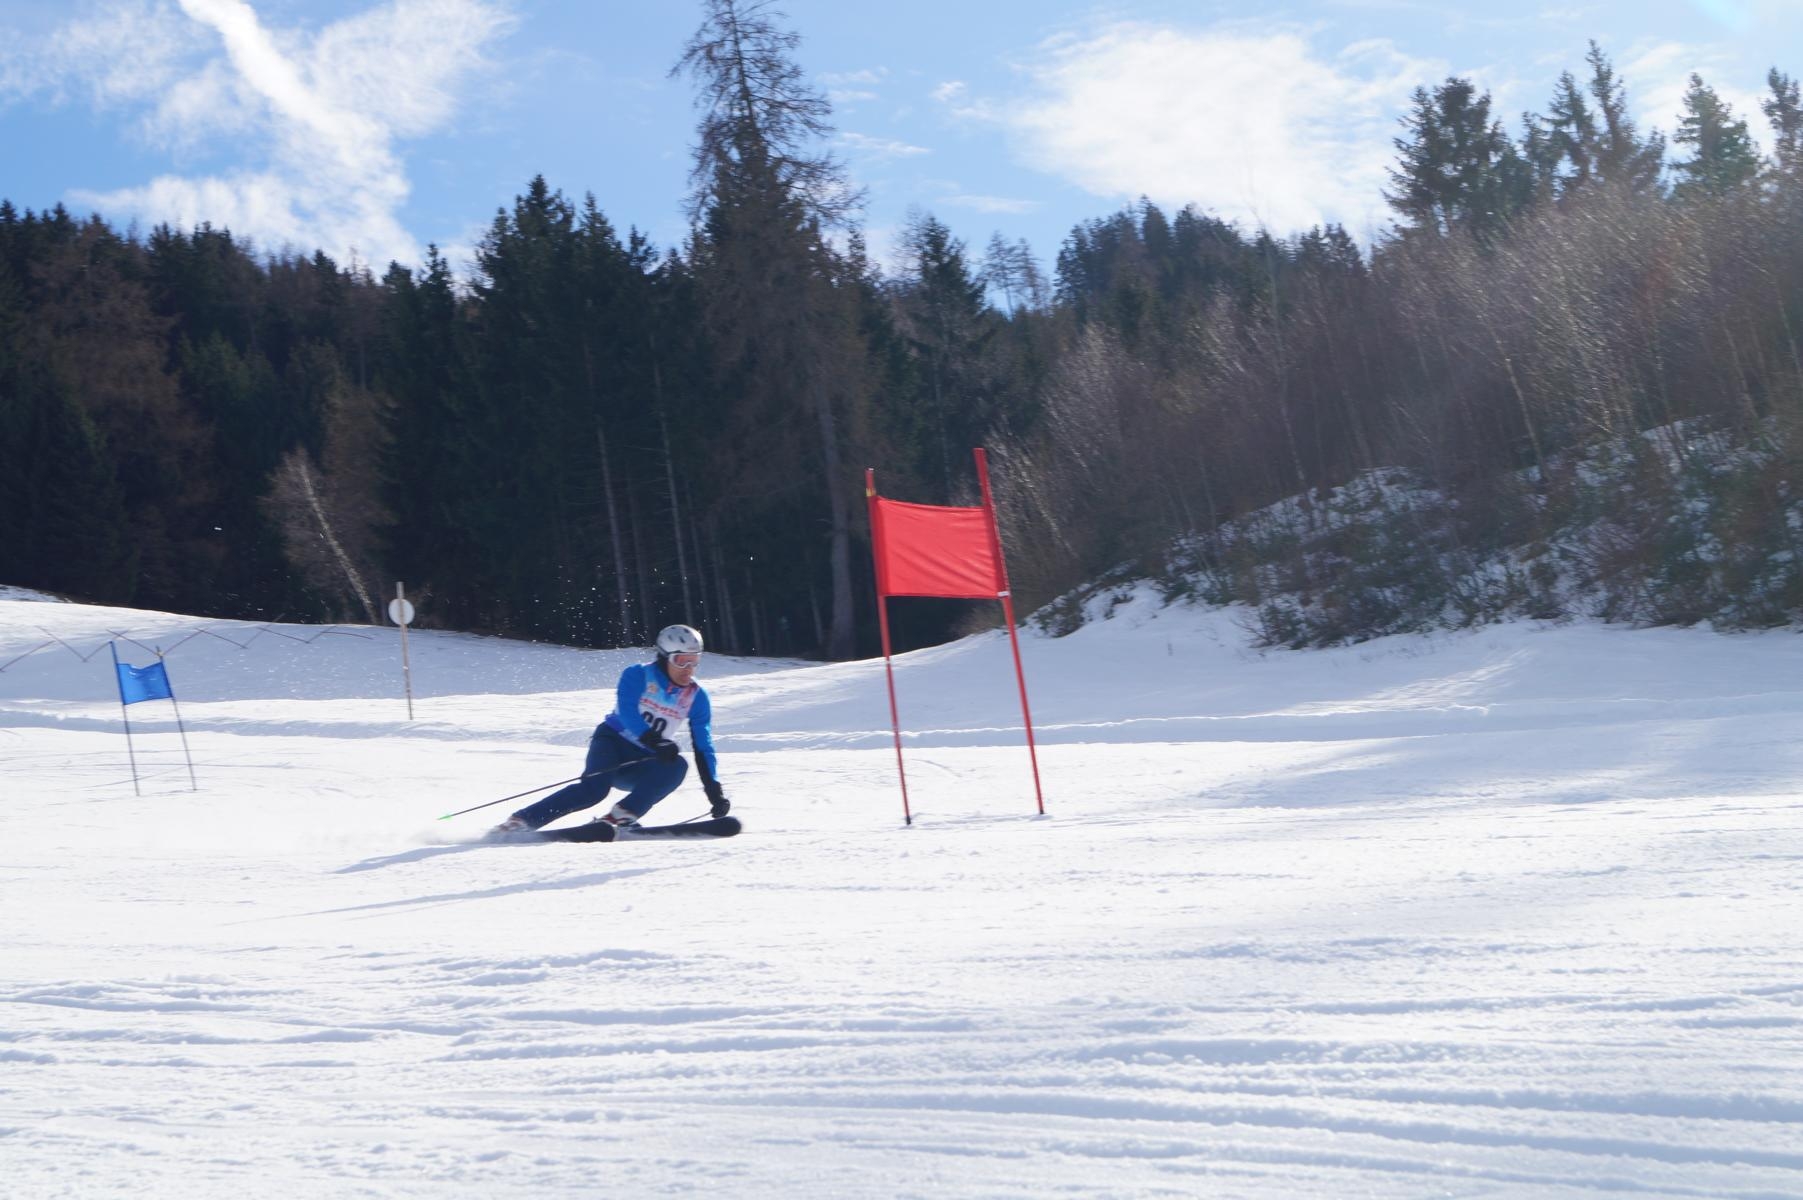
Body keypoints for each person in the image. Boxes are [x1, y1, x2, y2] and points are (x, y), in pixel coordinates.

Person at [490, 624, 729, 837]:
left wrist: (714, 790)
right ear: (664, 657)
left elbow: (703, 745)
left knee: (677, 766)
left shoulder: (697, 696)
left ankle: (621, 817)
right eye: (681, 661)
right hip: (612, 743)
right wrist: (655, 740)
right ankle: (521, 821)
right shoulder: (638, 674)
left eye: (694, 661)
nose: (688, 668)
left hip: (642, 760)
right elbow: (627, 712)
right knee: (593, 791)